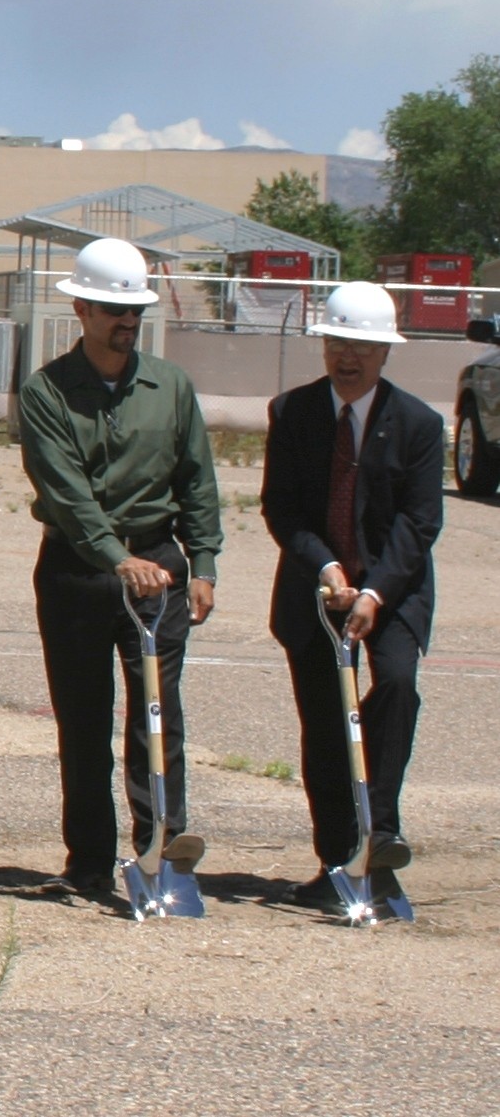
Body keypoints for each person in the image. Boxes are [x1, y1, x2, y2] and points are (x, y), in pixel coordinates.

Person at [18, 237, 222, 901]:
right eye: (110, 307)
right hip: (79, 568)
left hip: (158, 565)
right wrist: (115, 558)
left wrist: (203, 560)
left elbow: (197, 479)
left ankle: (163, 843)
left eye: (133, 308)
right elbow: (66, 490)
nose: (124, 320)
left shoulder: (172, 386)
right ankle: (88, 860)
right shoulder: (47, 391)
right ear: (81, 307)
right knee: (83, 718)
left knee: (157, 713)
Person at [260, 281, 443, 907]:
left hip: (393, 589)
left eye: (362, 346)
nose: (348, 356)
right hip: (317, 590)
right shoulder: (292, 412)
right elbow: (281, 509)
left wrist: (374, 593)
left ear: (385, 353)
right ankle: (336, 859)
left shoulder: (419, 424)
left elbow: (420, 523)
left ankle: (380, 835)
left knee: (395, 686)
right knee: (327, 723)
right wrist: (328, 568)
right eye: (338, 342)